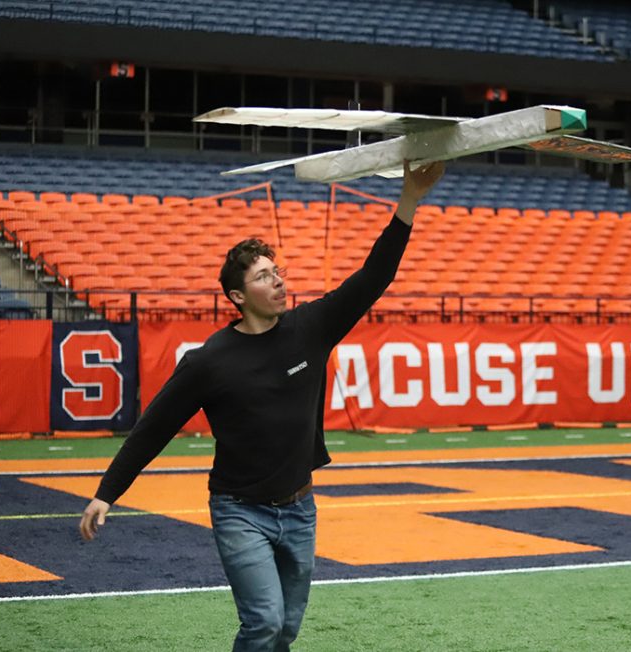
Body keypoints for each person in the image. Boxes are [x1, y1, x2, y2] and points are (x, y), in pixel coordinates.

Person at [79, 159, 445, 651]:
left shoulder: (311, 327)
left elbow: (373, 277)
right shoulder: (209, 361)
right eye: (264, 276)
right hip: (239, 512)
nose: (278, 282)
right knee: (265, 622)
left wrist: (409, 200)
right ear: (237, 295)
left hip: (300, 507)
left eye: (278, 273)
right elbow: (154, 427)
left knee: (285, 630)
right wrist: (107, 493)